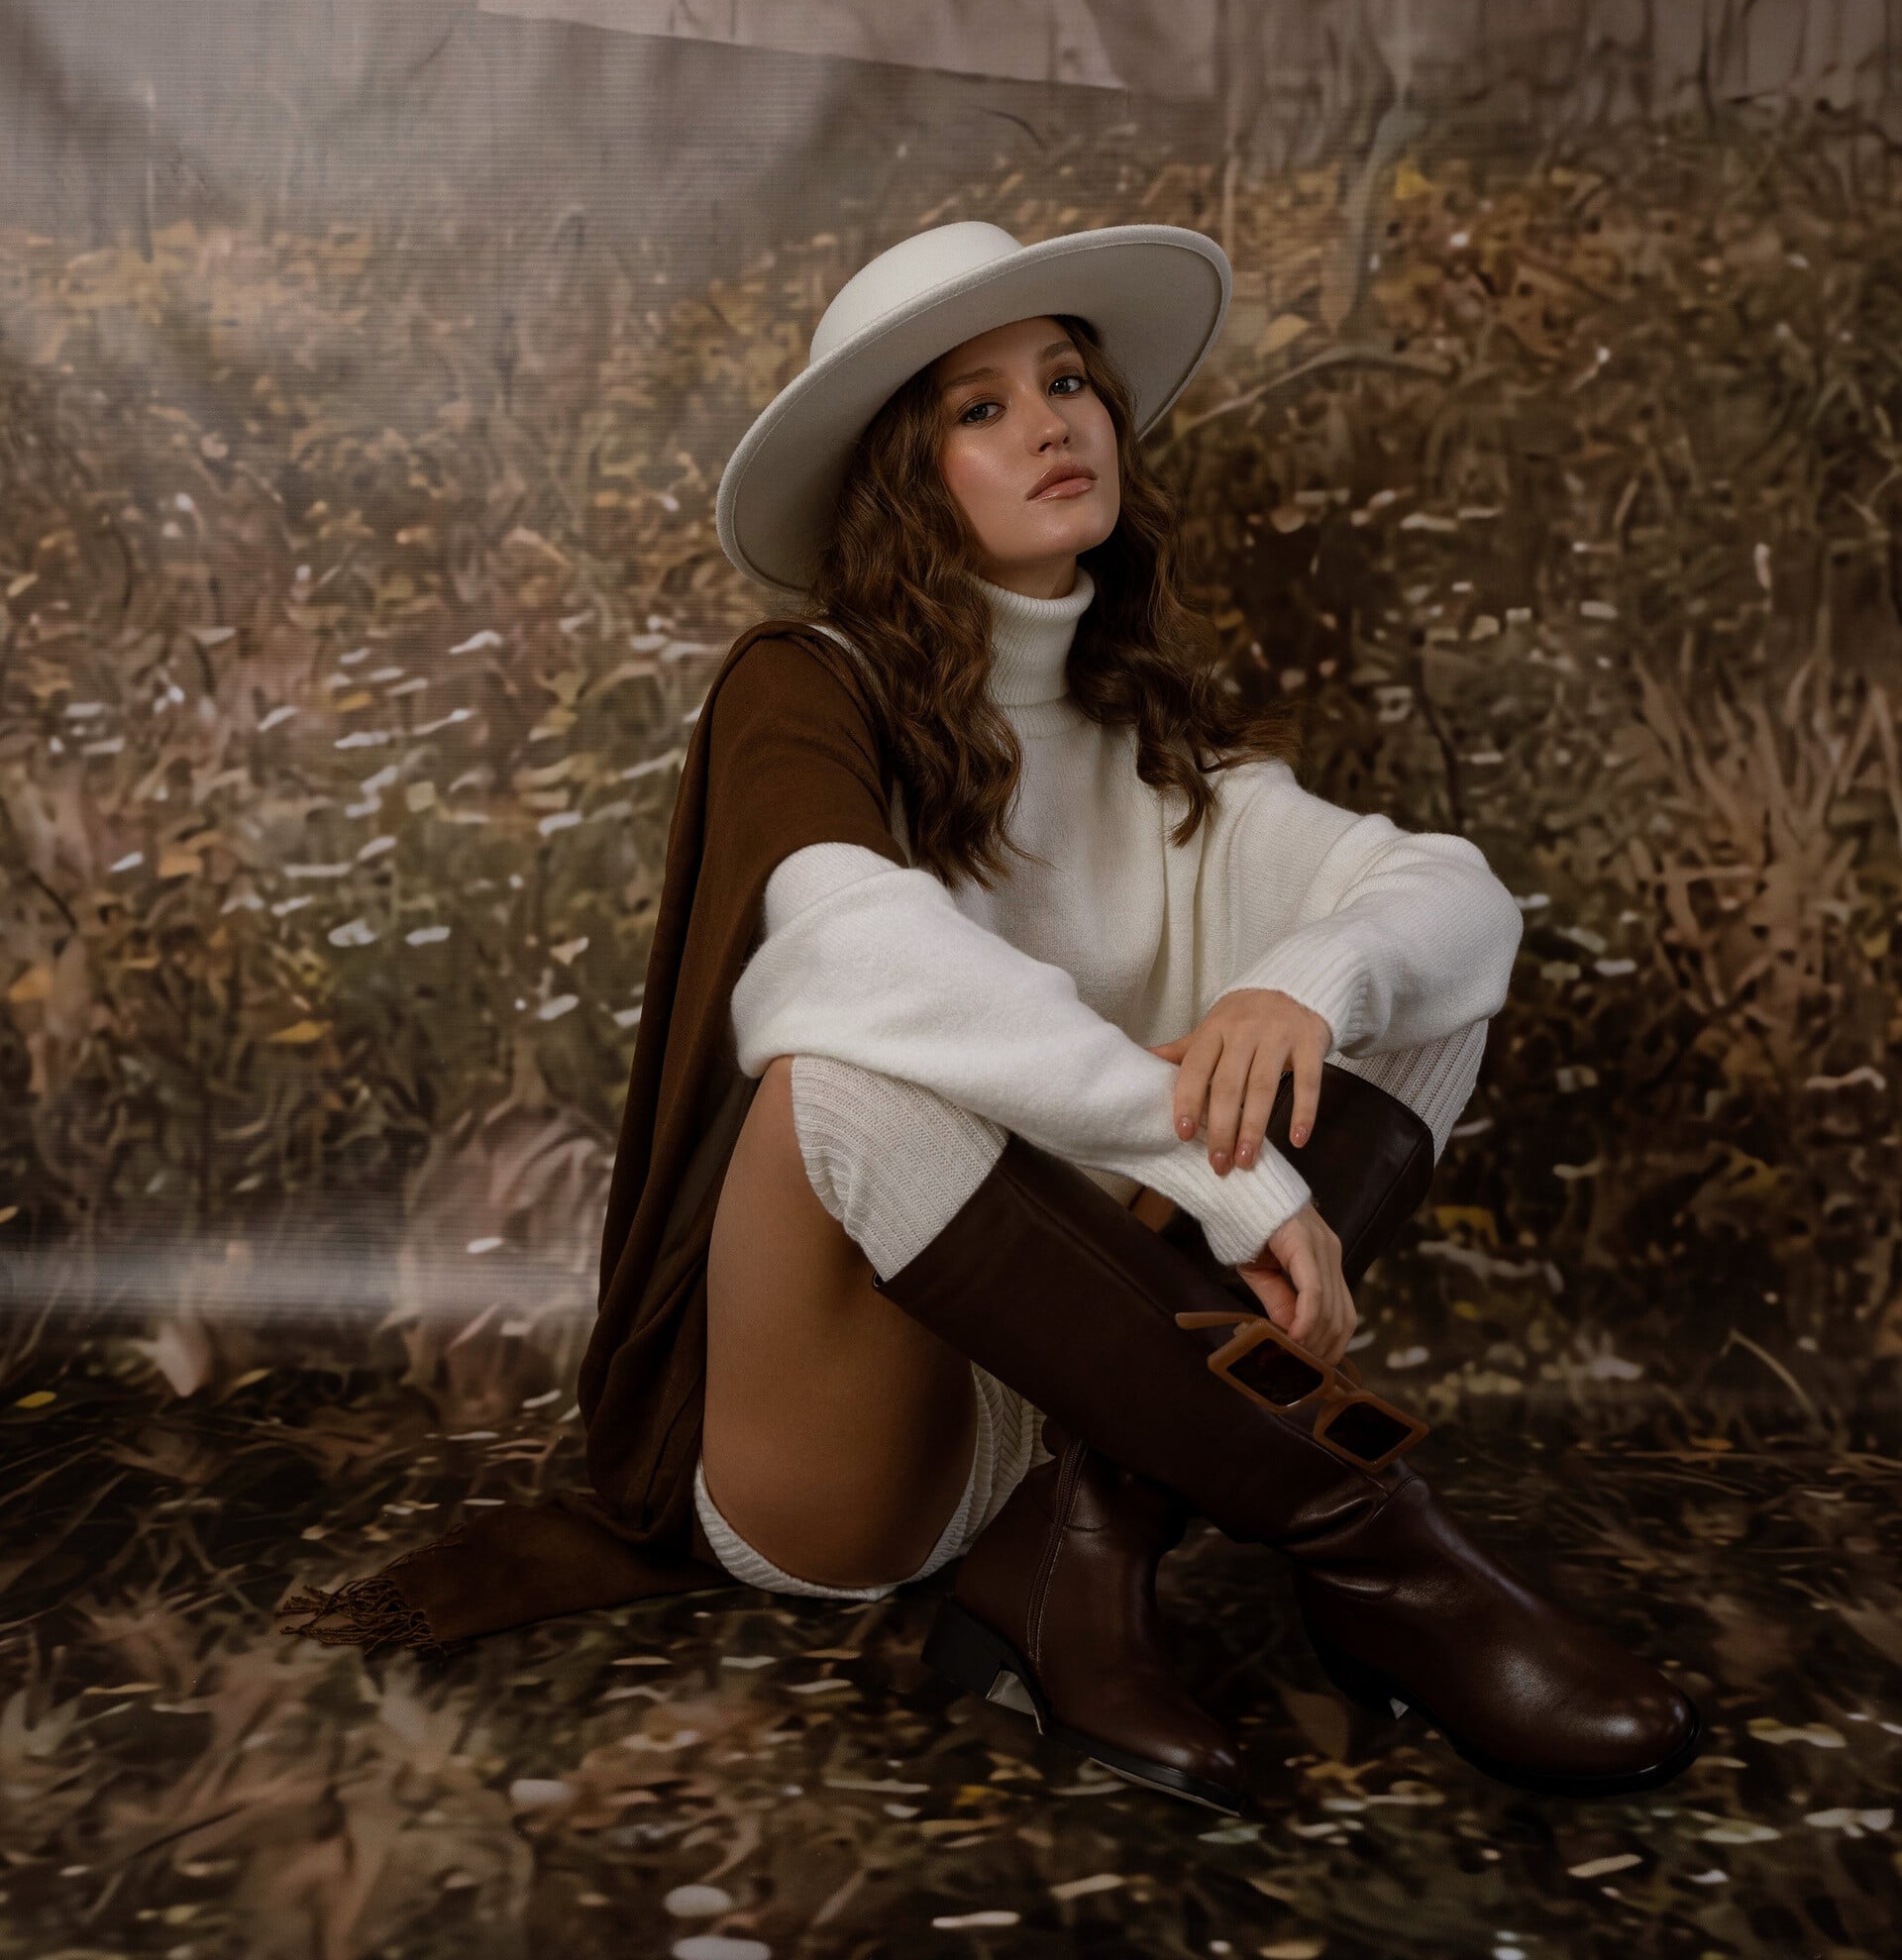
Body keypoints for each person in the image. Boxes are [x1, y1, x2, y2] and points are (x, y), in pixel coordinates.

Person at [286, 215, 1699, 1818]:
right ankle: (1377, 1549)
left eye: (1069, 379)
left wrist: (1303, 986)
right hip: (852, 1448)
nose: (1050, 423)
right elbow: (848, 946)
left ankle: (1078, 1554)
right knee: (848, 1062)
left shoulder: (1152, 739)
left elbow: (1458, 899)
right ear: (906, 476)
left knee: (1411, 986)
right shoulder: (802, 685)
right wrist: (1211, 1159)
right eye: (981, 405)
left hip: (1087, 1411)